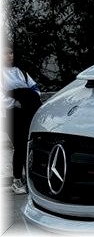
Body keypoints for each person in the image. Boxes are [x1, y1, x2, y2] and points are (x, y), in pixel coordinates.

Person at [5, 47, 41, 195]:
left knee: (27, 146)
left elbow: (35, 88)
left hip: (26, 112)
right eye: (5, 53)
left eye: (11, 52)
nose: (9, 56)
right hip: (11, 114)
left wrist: (30, 100)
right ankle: (17, 180)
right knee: (19, 146)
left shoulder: (21, 71)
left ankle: (28, 178)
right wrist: (15, 103)